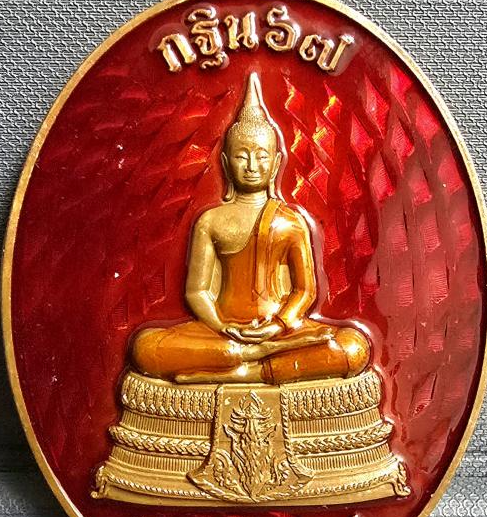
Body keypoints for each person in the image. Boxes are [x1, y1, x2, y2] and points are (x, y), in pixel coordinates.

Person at [131, 73, 370, 385]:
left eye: (261, 156)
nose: (252, 165)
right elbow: (197, 291)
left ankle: (248, 368)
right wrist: (221, 326)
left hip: (281, 332)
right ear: (226, 162)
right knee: (145, 347)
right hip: (221, 333)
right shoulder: (211, 221)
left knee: (352, 347)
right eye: (242, 156)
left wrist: (279, 325)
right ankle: (249, 356)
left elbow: (305, 290)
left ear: (276, 163)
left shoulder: (290, 221)